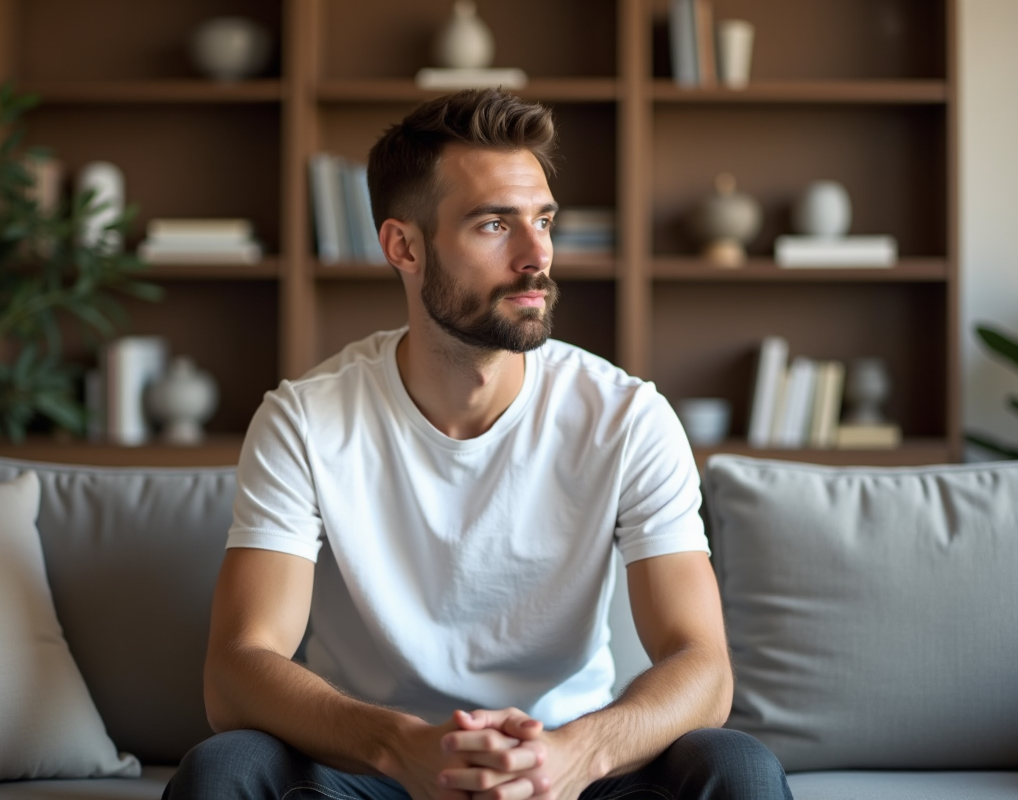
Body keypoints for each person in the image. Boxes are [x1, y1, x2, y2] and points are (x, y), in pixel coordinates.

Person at [165, 88, 791, 800]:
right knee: (224, 770)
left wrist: (576, 754)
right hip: (375, 771)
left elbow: (703, 666)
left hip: (571, 765)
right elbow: (237, 669)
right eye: (495, 224)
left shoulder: (626, 417)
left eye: (543, 220)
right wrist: (401, 748)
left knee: (737, 768)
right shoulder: (306, 421)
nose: (537, 255)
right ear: (403, 246)